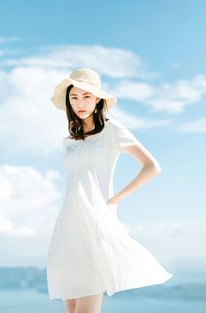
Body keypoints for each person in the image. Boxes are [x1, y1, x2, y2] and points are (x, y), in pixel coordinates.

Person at [46, 68, 173, 313]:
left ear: (97, 100)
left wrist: (115, 199)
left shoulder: (112, 130)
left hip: (95, 222)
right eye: (74, 97)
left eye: (86, 96)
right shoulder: (70, 142)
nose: (80, 103)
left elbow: (151, 167)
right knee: (70, 307)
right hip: (68, 224)